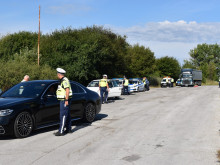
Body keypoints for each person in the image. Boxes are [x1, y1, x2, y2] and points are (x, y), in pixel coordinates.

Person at [54, 68, 73, 136]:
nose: (57, 75)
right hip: (63, 100)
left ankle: (61, 131)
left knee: (63, 115)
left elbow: (67, 90)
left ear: (59, 74)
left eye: (57, 74)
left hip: (64, 100)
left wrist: (66, 100)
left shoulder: (64, 80)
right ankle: (68, 129)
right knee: (67, 114)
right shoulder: (62, 80)